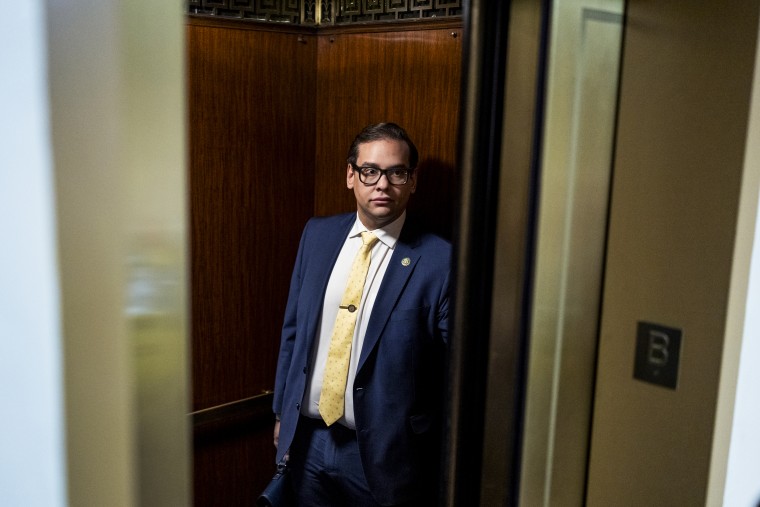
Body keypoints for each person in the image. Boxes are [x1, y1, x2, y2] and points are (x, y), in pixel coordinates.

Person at [272, 122, 451, 506]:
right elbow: (293, 332)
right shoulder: (317, 236)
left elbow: (454, 371)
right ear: (351, 175)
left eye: (396, 172)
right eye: (370, 171)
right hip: (308, 442)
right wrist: (280, 414)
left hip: (384, 455)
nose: (382, 184)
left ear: (412, 181)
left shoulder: (440, 259)